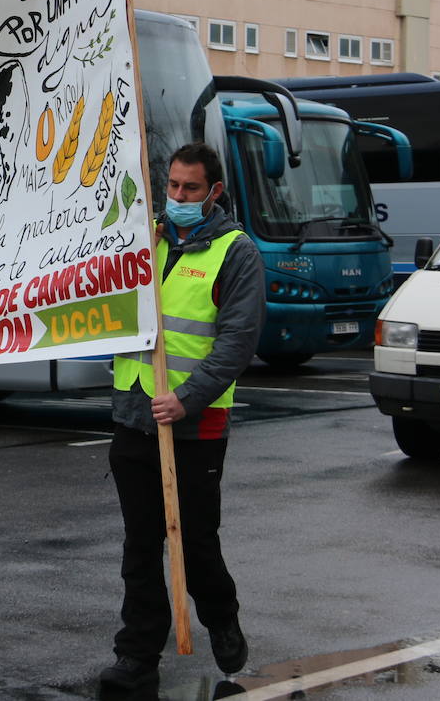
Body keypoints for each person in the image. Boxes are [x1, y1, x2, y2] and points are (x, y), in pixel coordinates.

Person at [99, 143, 266, 691]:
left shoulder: (235, 252)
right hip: (133, 412)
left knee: (194, 541)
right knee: (140, 544)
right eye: (172, 186)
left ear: (213, 192)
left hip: (195, 424)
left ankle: (221, 618)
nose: (178, 197)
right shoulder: (143, 236)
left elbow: (236, 344)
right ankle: (137, 653)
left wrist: (188, 398)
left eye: (190, 189)